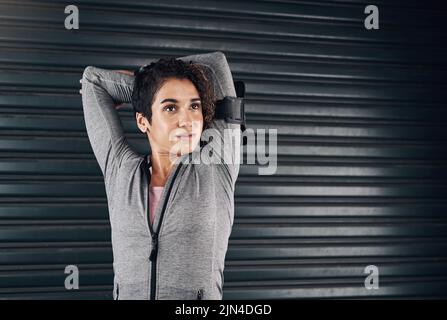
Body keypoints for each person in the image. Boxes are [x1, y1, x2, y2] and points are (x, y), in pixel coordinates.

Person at [79, 51, 243, 300]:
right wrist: (147, 84)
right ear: (143, 121)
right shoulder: (121, 169)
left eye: (194, 106)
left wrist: (145, 77)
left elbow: (216, 64)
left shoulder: (217, 166)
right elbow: (92, 81)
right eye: (170, 107)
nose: (187, 120)